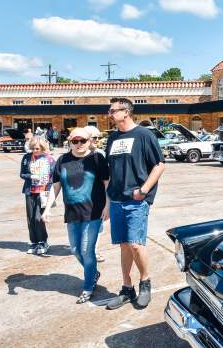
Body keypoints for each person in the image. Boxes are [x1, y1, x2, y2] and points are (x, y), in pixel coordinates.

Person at [105, 97, 165, 310]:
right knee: (123, 245)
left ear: (126, 112)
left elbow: (159, 165)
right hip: (117, 200)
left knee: (135, 245)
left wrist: (144, 190)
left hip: (136, 201)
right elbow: (111, 172)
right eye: (110, 111)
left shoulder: (144, 135)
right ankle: (127, 288)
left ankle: (145, 282)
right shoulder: (112, 139)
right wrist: (107, 202)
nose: (109, 114)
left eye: (113, 111)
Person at [42, 128, 110, 303]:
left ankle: (88, 287)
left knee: (87, 250)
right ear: (70, 141)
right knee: (75, 250)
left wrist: (108, 206)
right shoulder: (62, 160)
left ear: (89, 141)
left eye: (83, 141)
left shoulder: (97, 159)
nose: (79, 144)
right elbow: (55, 186)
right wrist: (47, 208)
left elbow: (107, 184)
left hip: (93, 212)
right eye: (75, 141)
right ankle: (93, 273)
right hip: (72, 213)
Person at [20, 136, 55, 255]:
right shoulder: (26, 157)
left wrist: (50, 192)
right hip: (30, 191)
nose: (35, 151)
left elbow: (54, 177)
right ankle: (34, 242)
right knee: (30, 219)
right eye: (33, 148)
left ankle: (43, 241)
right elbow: (22, 174)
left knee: (38, 218)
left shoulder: (49, 159)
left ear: (43, 148)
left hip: (44, 192)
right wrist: (31, 176)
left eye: (38, 149)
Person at [84, 125, 107, 263]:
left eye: (99, 137)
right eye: (94, 137)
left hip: (98, 198)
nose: (97, 140)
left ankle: (94, 251)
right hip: (81, 200)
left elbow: (106, 178)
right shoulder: (76, 153)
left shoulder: (101, 154)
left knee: (97, 227)